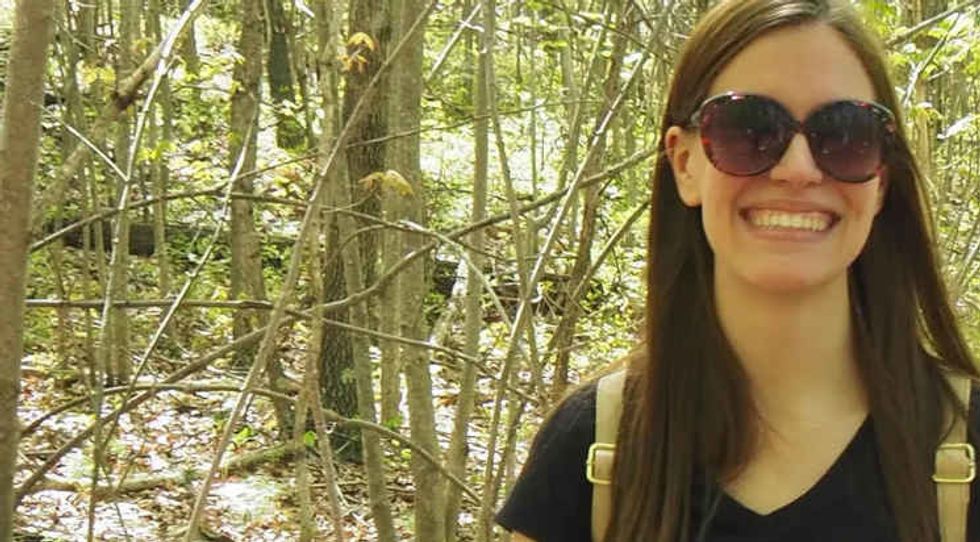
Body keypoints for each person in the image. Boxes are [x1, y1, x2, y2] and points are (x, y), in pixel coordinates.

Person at [495, 1, 980, 541]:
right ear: (685, 164)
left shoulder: (964, 445)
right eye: (748, 128)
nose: (798, 169)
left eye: (846, 134)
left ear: (881, 180)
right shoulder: (594, 446)